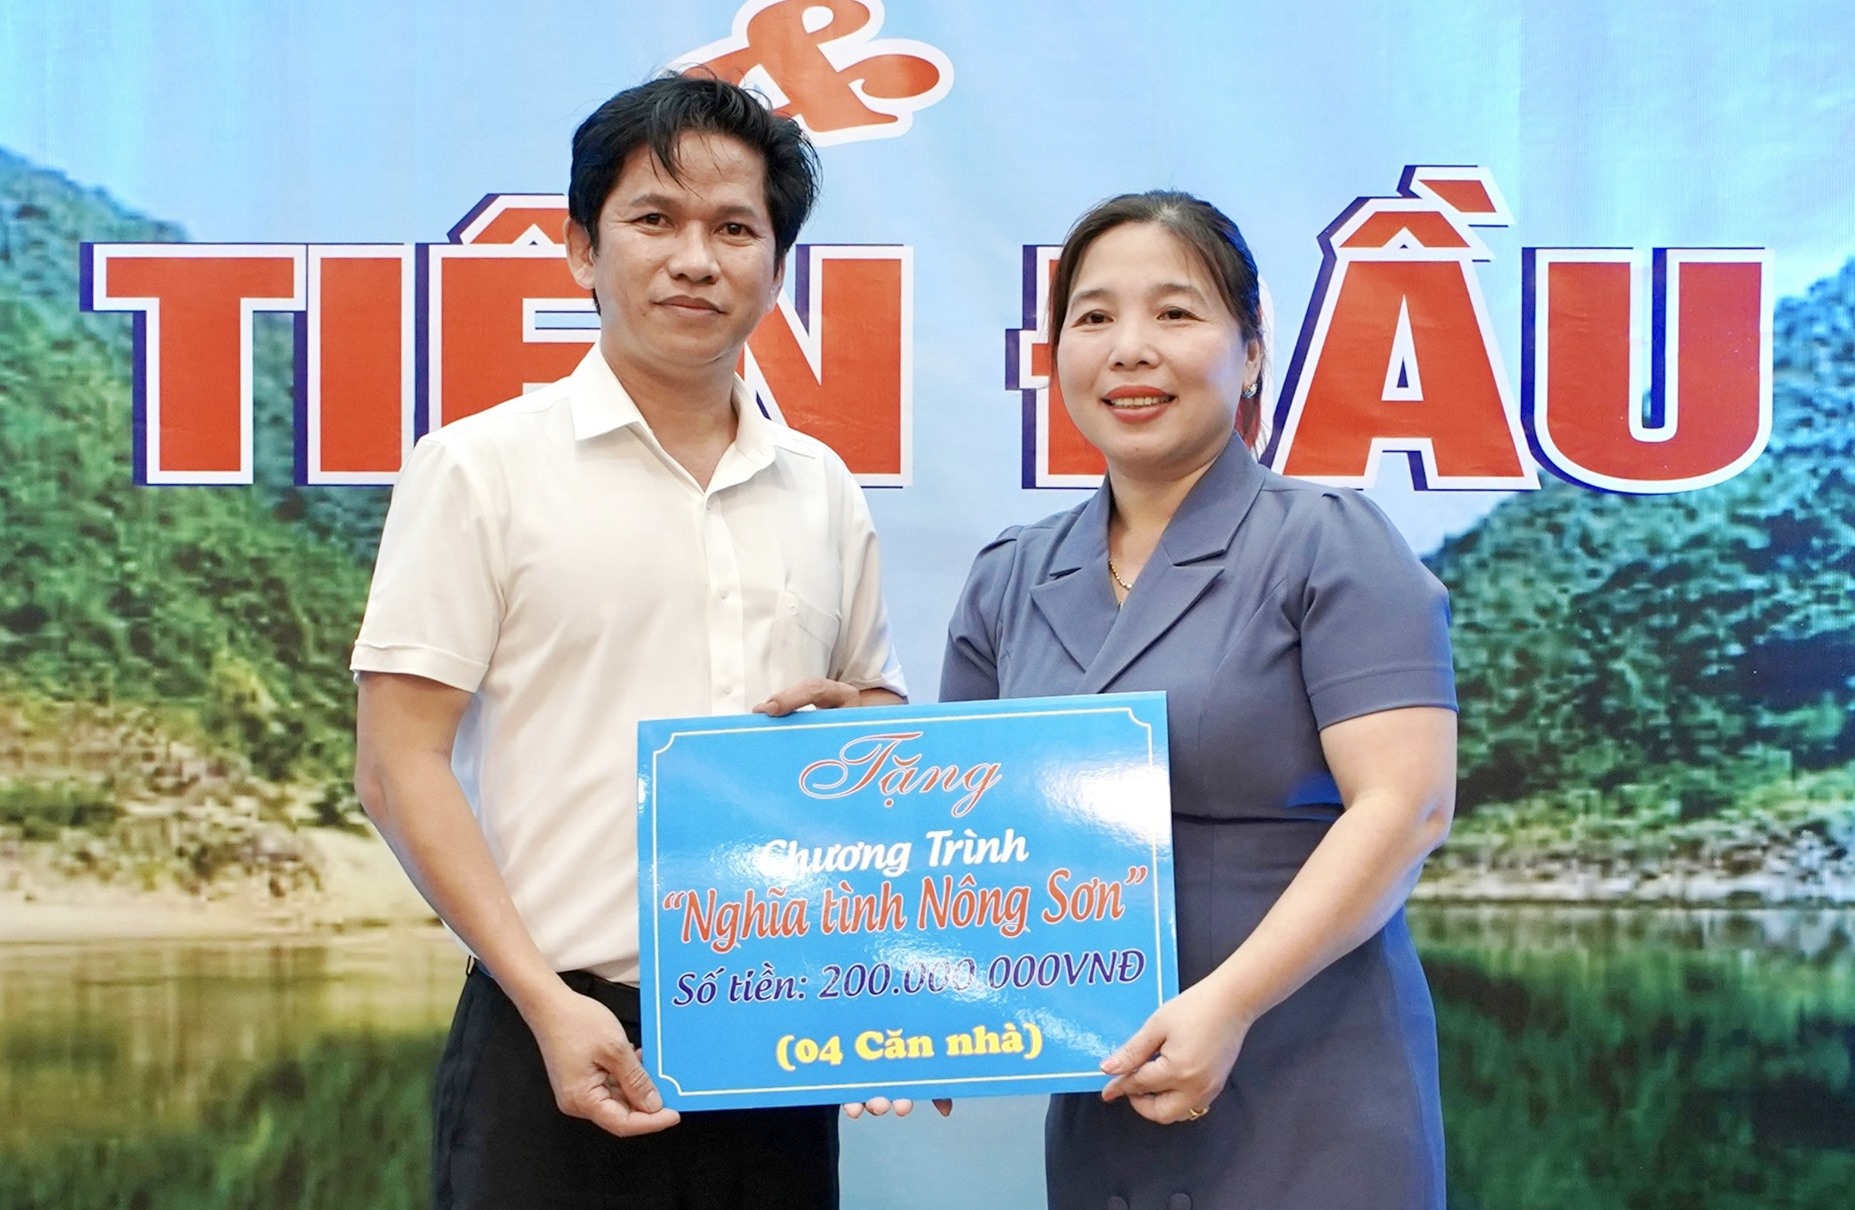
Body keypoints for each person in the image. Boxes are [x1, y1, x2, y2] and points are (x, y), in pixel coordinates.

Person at [350, 74, 906, 1210]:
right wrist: (547, 1002)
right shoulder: (479, 467)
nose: (694, 259)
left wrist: (867, 736)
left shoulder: (823, 489)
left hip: (775, 1046)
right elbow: (396, 765)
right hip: (547, 1027)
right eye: (654, 220)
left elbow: (878, 738)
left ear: (774, 262)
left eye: (733, 228)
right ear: (579, 250)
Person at [940, 191, 1458, 1209]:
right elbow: (960, 837)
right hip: (1105, 1099)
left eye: (1175, 314)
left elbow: (1407, 806)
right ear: (1054, 358)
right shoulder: (1008, 578)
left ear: (1252, 351)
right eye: (1093, 319)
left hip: (1310, 1078)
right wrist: (907, 1013)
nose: (1130, 349)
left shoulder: (1328, 541)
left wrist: (1226, 1003)